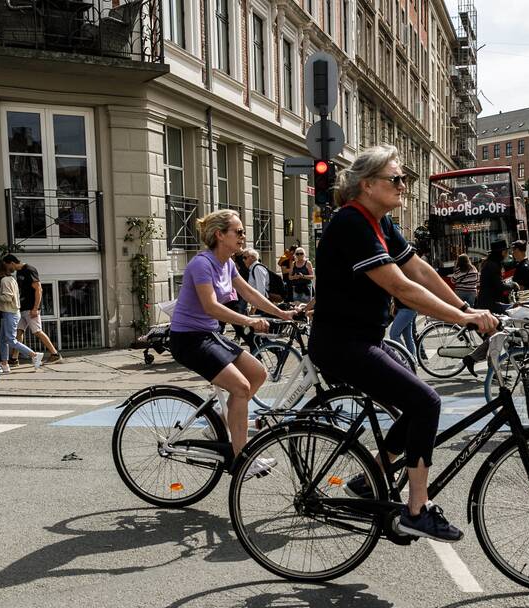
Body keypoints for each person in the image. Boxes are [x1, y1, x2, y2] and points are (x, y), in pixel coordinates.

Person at [308, 144, 497, 542]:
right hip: (342, 344)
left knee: (415, 407)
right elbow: (400, 287)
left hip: (363, 339)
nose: (403, 186)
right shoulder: (351, 223)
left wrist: (466, 306)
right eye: (396, 179)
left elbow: (420, 270)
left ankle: (372, 475)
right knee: (426, 401)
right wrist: (462, 318)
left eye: (404, 179)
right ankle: (416, 508)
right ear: (368, 184)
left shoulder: (380, 222)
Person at [169, 209, 296, 473]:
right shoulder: (201, 264)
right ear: (219, 235)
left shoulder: (228, 264)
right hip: (188, 339)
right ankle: (242, 458)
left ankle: (220, 421)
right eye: (238, 232)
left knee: (258, 374)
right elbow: (211, 307)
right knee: (240, 387)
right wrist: (249, 322)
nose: (243, 236)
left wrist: (282, 312)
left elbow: (249, 293)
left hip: (209, 335)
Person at [3, 255, 62, 364]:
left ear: (11, 263)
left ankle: (55, 354)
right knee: (19, 332)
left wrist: (35, 308)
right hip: (22, 308)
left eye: (6, 265)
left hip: (31, 308)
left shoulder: (29, 270)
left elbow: (39, 289)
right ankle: (14, 358)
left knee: (37, 331)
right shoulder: (19, 272)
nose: (7, 268)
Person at [0, 258, 42, 373]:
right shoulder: (11, 279)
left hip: (10, 313)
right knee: (2, 339)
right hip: (10, 312)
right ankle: (5, 364)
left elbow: (7, 297)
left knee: (10, 340)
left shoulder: (5, 281)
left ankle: (34, 355)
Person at [474, 239, 511, 312]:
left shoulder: (490, 263)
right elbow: (500, 286)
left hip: (486, 302)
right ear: (502, 252)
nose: (507, 254)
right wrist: (512, 285)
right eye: (506, 252)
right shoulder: (494, 265)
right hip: (490, 304)